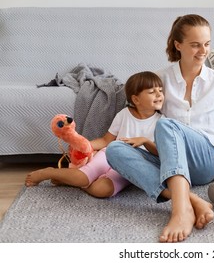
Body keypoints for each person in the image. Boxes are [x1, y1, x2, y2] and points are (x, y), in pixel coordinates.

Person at [105, 14, 214, 243]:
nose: (203, 51)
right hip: (169, 159)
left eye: (207, 44)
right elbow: (143, 111)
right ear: (178, 45)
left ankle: (180, 212)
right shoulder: (161, 78)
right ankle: (191, 200)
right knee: (114, 150)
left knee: (166, 124)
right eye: (195, 45)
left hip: (207, 159)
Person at [25, 71, 164, 198]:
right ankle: (49, 172)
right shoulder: (124, 114)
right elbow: (106, 140)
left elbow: (160, 154)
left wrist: (145, 141)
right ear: (136, 99)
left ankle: (70, 181)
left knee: (102, 190)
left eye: (161, 90)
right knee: (83, 177)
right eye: (152, 91)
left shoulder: (162, 122)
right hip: (108, 154)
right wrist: (85, 145)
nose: (159, 95)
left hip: (128, 166)